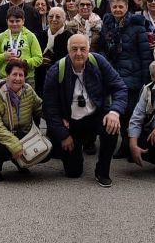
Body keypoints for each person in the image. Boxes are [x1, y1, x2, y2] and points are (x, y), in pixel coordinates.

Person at [42, 34, 127, 187]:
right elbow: (50, 107)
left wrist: (114, 112)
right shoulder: (56, 70)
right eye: (74, 49)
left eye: (83, 49)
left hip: (95, 116)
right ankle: (75, 152)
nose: (79, 53)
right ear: (68, 51)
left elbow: (119, 87)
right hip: (71, 122)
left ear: (89, 50)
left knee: (113, 127)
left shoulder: (98, 61)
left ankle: (102, 170)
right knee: (73, 172)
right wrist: (63, 134)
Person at [99, 0, 152, 157]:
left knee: (131, 111)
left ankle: (133, 144)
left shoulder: (137, 26)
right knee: (119, 111)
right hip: (113, 73)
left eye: (121, 6)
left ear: (127, 8)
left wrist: (146, 79)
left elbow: (144, 54)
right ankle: (124, 144)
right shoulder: (107, 24)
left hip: (132, 74)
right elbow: (103, 47)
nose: (117, 9)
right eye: (114, 6)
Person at [0, 59, 42, 181]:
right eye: (14, 74)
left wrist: (59, 119)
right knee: (3, 149)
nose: (18, 78)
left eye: (21, 75)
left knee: (45, 151)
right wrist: (15, 145)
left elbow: (40, 108)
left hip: (20, 131)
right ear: (7, 75)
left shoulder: (28, 90)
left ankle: (18, 160)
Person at [0, 7, 43, 85]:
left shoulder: (30, 36)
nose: (14, 24)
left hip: (26, 79)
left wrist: (24, 62)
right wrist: (4, 56)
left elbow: (39, 59)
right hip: (5, 79)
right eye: (11, 21)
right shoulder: (1, 37)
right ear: (7, 21)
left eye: (18, 21)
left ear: (23, 21)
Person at [37, 6, 69, 99]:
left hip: (61, 79)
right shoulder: (41, 35)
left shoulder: (69, 37)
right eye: (51, 17)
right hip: (41, 78)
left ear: (64, 19)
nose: (54, 19)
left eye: (58, 17)